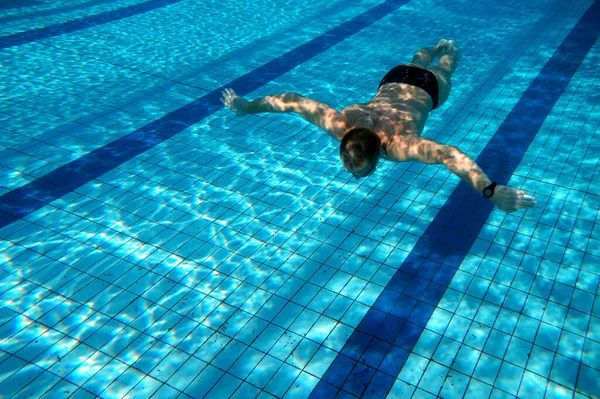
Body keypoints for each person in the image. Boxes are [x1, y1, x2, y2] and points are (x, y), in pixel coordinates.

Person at [220, 40, 537, 213]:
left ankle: (449, 50)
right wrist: (248, 107)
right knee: (416, 59)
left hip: (429, 89)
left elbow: (448, 154)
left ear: (378, 158)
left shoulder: (399, 145)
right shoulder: (340, 124)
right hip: (395, 78)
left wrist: (491, 190)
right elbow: (293, 100)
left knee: (445, 67)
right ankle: (440, 46)